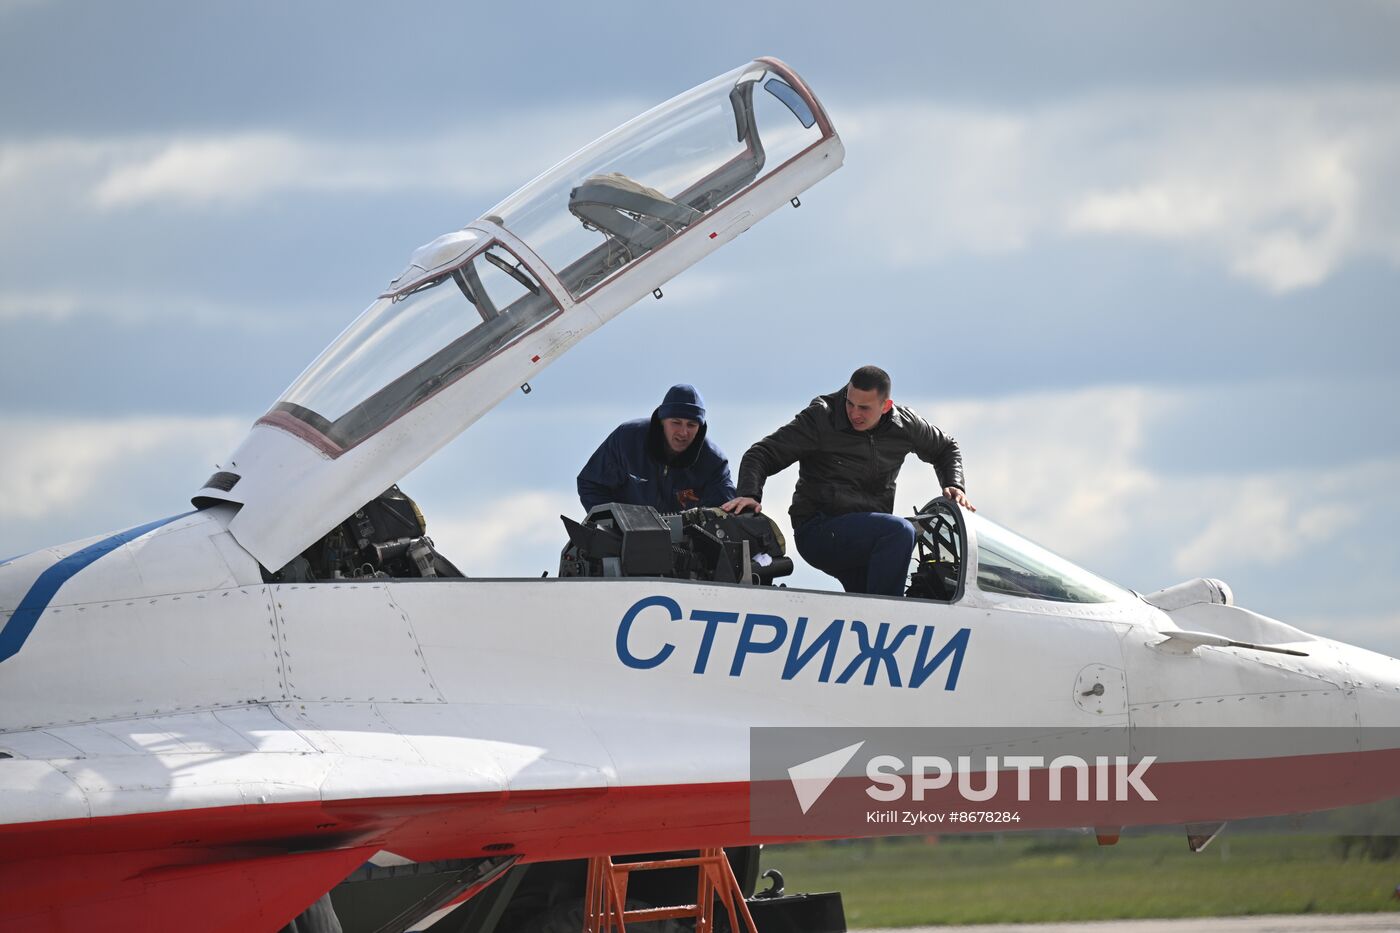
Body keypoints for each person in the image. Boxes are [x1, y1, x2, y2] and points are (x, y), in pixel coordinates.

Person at [722, 365, 973, 597]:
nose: (854, 413)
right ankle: (891, 619)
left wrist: (954, 484)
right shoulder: (822, 417)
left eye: (864, 408)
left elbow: (946, 447)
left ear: (885, 406)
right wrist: (750, 493)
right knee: (900, 532)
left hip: (866, 537)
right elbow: (761, 453)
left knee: (865, 598)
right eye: (850, 403)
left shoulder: (904, 425)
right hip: (819, 529)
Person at [578, 384, 736, 513]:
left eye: (691, 425)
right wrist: (614, 527)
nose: (683, 432)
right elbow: (591, 484)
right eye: (676, 422)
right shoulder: (627, 439)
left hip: (685, 546)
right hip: (623, 541)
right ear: (662, 421)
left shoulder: (714, 462)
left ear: (700, 428)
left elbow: (725, 510)